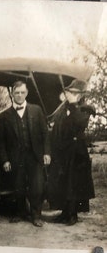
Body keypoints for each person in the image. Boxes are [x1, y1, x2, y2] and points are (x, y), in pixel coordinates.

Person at [0, 80, 51, 227]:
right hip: (16, 157)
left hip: (35, 156)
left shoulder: (37, 110)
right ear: (12, 94)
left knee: (37, 186)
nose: (19, 96)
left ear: (26, 93)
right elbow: (1, 142)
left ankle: (36, 216)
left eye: (22, 92)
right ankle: (20, 213)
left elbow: (45, 134)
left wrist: (47, 152)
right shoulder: (3, 116)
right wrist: (5, 160)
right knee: (18, 186)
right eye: (16, 93)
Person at [48, 79, 95, 226]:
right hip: (63, 151)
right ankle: (65, 212)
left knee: (74, 184)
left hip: (76, 153)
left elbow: (78, 124)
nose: (69, 95)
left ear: (80, 95)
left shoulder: (85, 109)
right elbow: (57, 124)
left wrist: (73, 105)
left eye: (73, 93)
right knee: (63, 183)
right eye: (69, 92)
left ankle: (73, 214)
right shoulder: (64, 108)